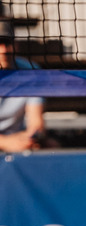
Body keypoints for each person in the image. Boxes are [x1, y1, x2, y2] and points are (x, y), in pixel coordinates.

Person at [0, 18, 45, 152]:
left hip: (19, 139)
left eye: (7, 43)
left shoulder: (31, 71)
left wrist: (32, 138)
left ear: (16, 45)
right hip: (9, 141)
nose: (3, 50)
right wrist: (5, 142)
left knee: (51, 147)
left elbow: (36, 122)